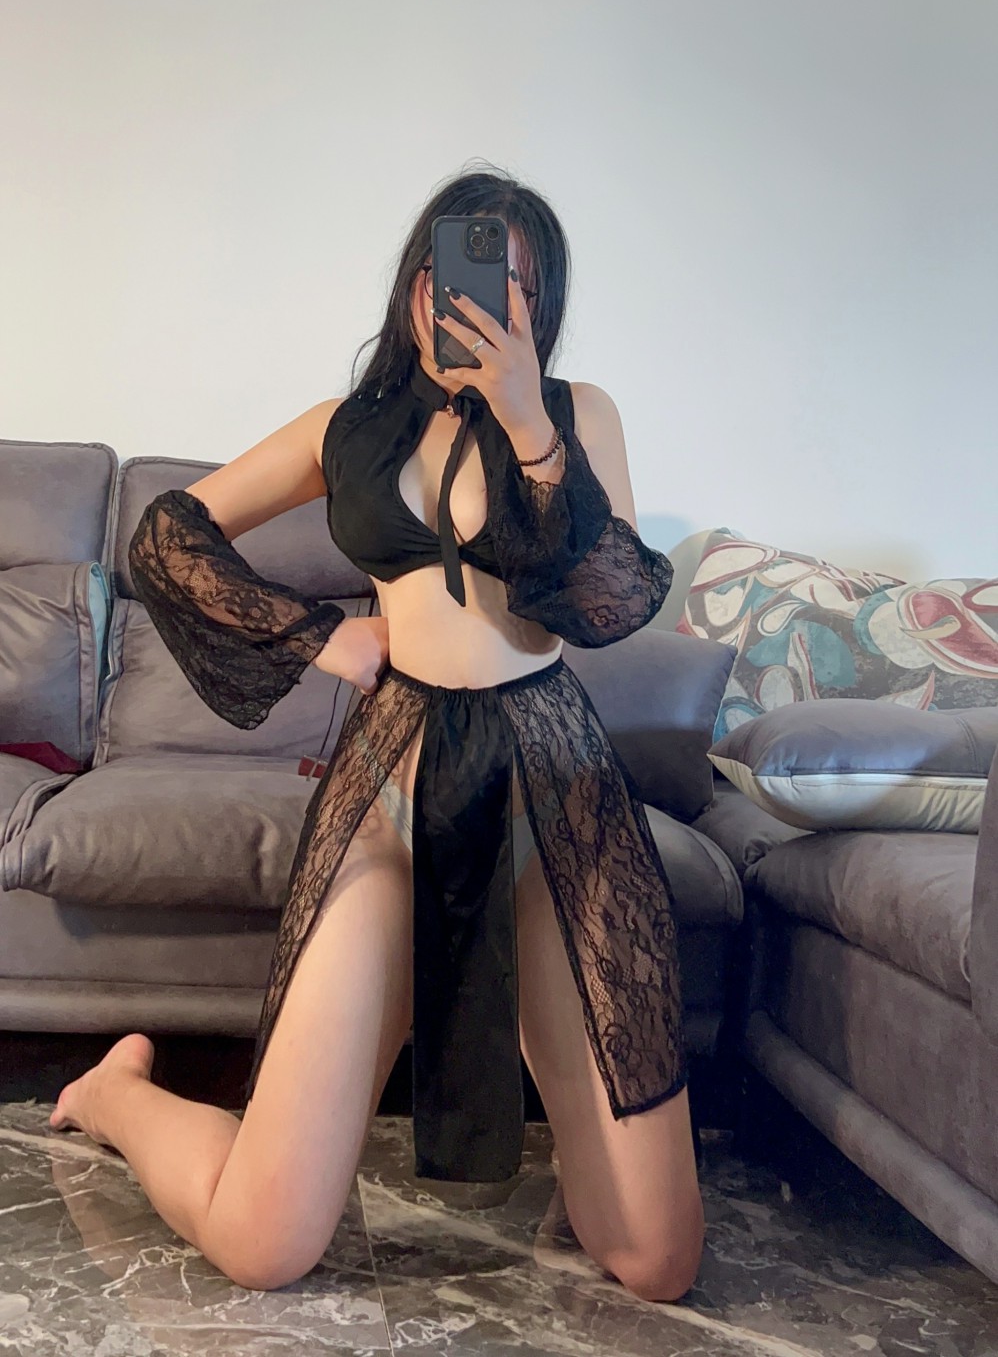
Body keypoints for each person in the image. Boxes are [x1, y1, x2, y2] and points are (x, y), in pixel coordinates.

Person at [47, 167, 706, 1300]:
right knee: (262, 1246)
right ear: (415, 285)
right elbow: (164, 538)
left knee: (656, 1262)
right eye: (459, 272)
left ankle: (586, 1154)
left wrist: (527, 423)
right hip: (394, 792)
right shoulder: (343, 428)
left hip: (551, 796)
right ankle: (116, 1092)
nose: (478, 301)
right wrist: (316, 634)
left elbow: (612, 605)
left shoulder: (575, 414)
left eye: (513, 283)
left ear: (539, 306)